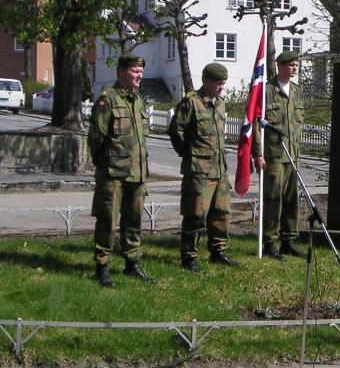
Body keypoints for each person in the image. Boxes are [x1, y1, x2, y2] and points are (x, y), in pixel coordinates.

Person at [87, 53, 154, 288]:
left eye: (141, 72)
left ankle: (132, 263)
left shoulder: (138, 100)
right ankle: (102, 266)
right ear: (121, 72)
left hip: (137, 173)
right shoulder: (108, 99)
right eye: (135, 71)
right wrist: (103, 166)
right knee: (108, 220)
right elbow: (96, 137)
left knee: (134, 220)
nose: (139, 75)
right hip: (113, 173)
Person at [169, 62, 240, 272]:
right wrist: (189, 153)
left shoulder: (220, 103)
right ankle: (189, 256)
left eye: (224, 83)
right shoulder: (191, 103)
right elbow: (175, 131)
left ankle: (218, 251)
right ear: (206, 81)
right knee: (195, 215)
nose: (221, 87)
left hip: (220, 170)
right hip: (198, 170)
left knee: (222, 212)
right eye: (218, 83)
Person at [253, 50, 305, 260]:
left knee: (292, 200)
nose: (294, 69)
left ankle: (288, 240)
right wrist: (258, 153)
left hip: (292, 155)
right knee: (273, 199)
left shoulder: (297, 91)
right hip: (273, 155)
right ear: (280, 66)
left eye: (296, 65)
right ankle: (269, 242)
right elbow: (257, 125)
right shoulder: (267, 91)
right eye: (291, 65)